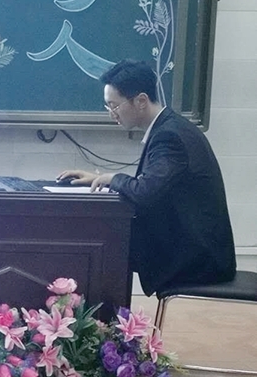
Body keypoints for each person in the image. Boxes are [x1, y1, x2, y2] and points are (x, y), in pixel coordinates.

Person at [57, 59, 236, 296]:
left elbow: (145, 192)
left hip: (198, 261)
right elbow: (153, 185)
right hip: (194, 250)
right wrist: (99, 178)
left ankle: (100, 314)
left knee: (102, 244)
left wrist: (113, 178)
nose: (111, 114)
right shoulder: (170, 127)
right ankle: (100, 313)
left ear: (141, 101)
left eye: (114, 106)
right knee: (104, 242)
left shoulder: (170, 136)